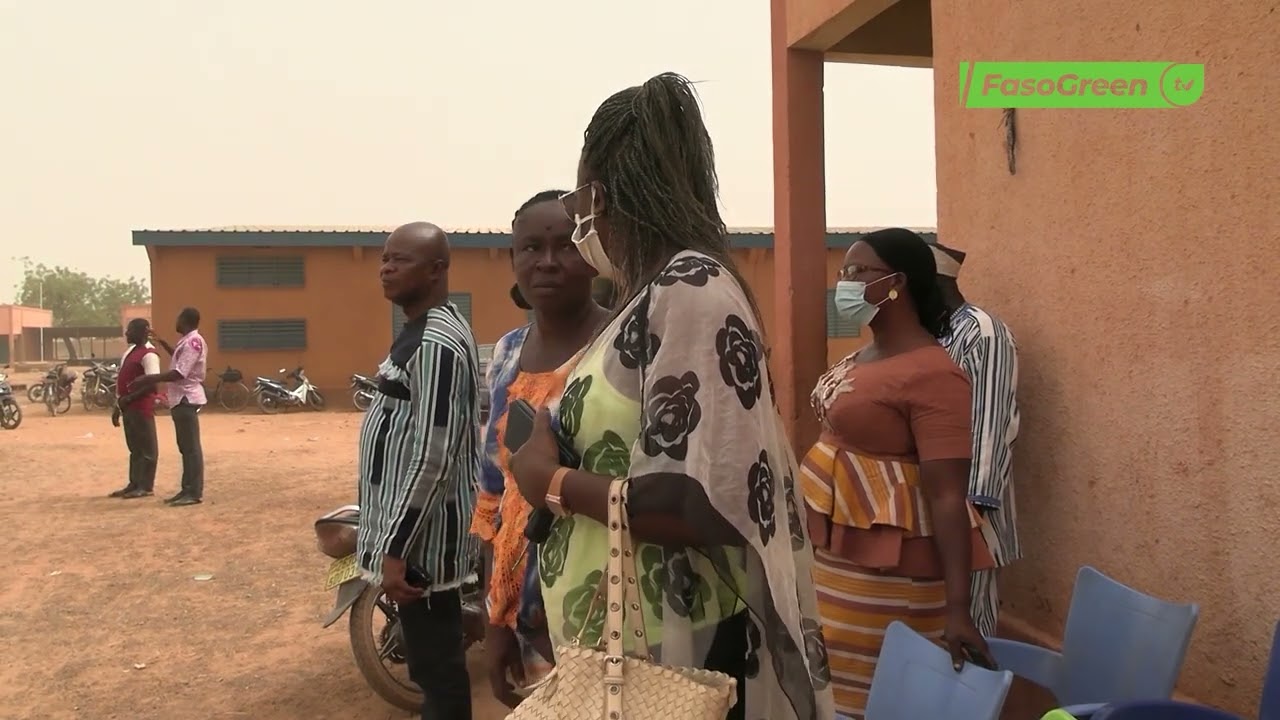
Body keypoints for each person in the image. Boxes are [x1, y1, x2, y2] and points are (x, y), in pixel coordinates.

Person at [509, 73, 835, 720]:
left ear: (605, 194)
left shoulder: (691, 290)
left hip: (677, 648)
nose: (581, 224)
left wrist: (546, 479)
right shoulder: (649, 295)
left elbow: (697, 502)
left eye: (581, 204)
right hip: (626, 638)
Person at [800, 228, 995, 719]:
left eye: (857, 272)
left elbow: (949, 495)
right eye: (844, 272)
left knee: (865, 699)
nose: (845, 283)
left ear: (897, 282)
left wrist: (958, 608)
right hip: (838, 557)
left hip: (885, 572)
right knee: (830, 690)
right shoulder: (865, 354)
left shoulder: (935, 374)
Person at [470, 189, 611, 708]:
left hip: (597, 606)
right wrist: (498, 617)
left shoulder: (619, 348)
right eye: (531, 248)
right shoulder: (506, 352)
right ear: (513, 260)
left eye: (566, 246)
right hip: (522, 610)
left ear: (594, 255)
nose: (547, 262)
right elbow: (495, 495)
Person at [358, 222, 482, 720]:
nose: (386, 268)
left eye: (400, 260)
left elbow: (435, 456)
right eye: (384, 259)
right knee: (433, 671)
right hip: (415, 544)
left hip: (421, 551)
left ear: (436, 270)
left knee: (439, 677)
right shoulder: (421, 330)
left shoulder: (437, 344)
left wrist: (396, 550)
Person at [933, 242, 1021, 638]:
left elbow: (991, 426)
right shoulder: (933, 335)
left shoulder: (984, 333)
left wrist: (972, 514)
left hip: (972, 518)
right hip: (939, 515)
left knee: (971, 632)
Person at [131, 307, 207, 506]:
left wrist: (148, 378)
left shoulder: (193, 341)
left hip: (186, 398)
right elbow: (180, 360)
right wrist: (162, 342)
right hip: (180, 399)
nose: (176, 322)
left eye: (178, 318)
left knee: (191, 449)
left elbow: (179, 373)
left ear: (185, 320)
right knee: (185, 448)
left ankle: (193, 491)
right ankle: (187, 489)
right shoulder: (187, 342)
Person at [109, 318, 161, 499]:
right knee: (135, 448)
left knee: (147, 448)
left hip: (141, 407)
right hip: (128, 408)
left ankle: (146, 486)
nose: (127, 334)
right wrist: (118, 406)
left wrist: (130, 398)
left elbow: (153, 384)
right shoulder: (131, 352)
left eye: (130, 330)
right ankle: (134, 483)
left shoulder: (149, 354)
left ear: (141, 332)